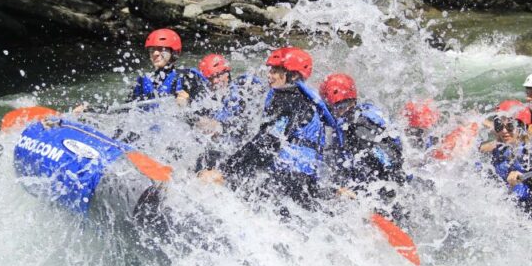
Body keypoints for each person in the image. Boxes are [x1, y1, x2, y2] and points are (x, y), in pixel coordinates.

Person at [198, 47, 338, 213]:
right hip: (301, 180)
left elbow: (267, 142)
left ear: (292, 75)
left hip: (289, 181)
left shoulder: (290, 101)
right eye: (270, 69)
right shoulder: (300, 98)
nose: (269, 74)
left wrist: (225, 172)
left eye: (276, 70)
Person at [319, 73, 405, 189]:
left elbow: (391, 166)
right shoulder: (353, 119)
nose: (331, 114)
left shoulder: (358, 129)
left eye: (332, 108)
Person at [485, 99, 532, 221]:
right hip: (505, 201)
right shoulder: (500, 147)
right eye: (499, 125)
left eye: (510, 126)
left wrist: (525, 176)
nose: (504, 131)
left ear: (521, 127)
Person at [131, 28, 207, 106]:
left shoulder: (187, 76)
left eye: (161, 49)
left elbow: (207, 107)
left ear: (174, 52)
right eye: (152, 50)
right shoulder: (142, 81)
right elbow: (127, 110)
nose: (155, 53)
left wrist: (189, 102)